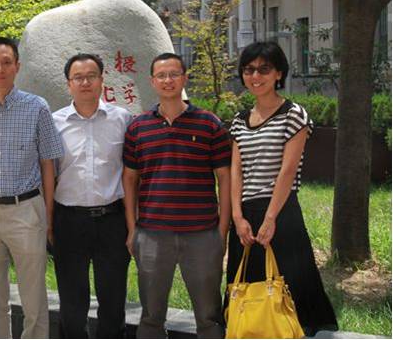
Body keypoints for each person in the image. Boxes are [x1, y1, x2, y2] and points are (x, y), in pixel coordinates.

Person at [225, 41, 338, 336]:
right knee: (246, 288)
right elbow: (236, 170)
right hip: (245, 214)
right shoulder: (239, 120)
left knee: (290, 287)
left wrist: (271, 217)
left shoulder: (293, 114)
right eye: (249, 70)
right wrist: (237, 216)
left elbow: (287, 171)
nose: (255, 76)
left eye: (264, 69)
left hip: (281, 212)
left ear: (279, 73)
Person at [123, 52, 231, 339]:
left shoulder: (209, 124)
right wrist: (132, 229)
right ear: (152, 81)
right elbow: (129, 179)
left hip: (202, 234)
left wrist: (222, 230)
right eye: (161, 75)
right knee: (151, 316)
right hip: (152, 234)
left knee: (209, 316)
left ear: (184, 78)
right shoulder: (138, 127)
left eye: (173, 74)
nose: (167, 80)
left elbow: (225, 178)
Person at [0, 36, 64, 339]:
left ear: (17, 66)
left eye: (6, 62)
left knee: (33, 295)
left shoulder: (37, 107)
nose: (0, 69)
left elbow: (48, 163)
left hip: (26, 209)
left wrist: (47, 214)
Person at [51, 53, 133, 338]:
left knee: (113, 301)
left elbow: (131, 174)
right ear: (68, 84)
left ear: (102, 80)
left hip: (112, 220)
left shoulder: (122, 119)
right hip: (68, 220)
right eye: (78, 78)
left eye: (91, 76)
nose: (85, 82)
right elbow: (49, 174)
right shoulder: (54, 122)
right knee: (72, 304)